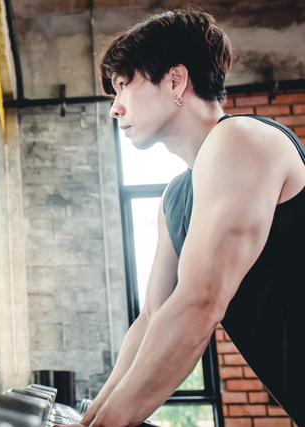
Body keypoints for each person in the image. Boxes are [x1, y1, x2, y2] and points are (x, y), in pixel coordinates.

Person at [71, 7, 305, 426]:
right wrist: (90, 419)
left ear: (176, 80)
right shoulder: (175, 197)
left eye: (123, 86)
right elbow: (152, 318)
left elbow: (200, 302)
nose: (115, 108)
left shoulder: (242, 140)